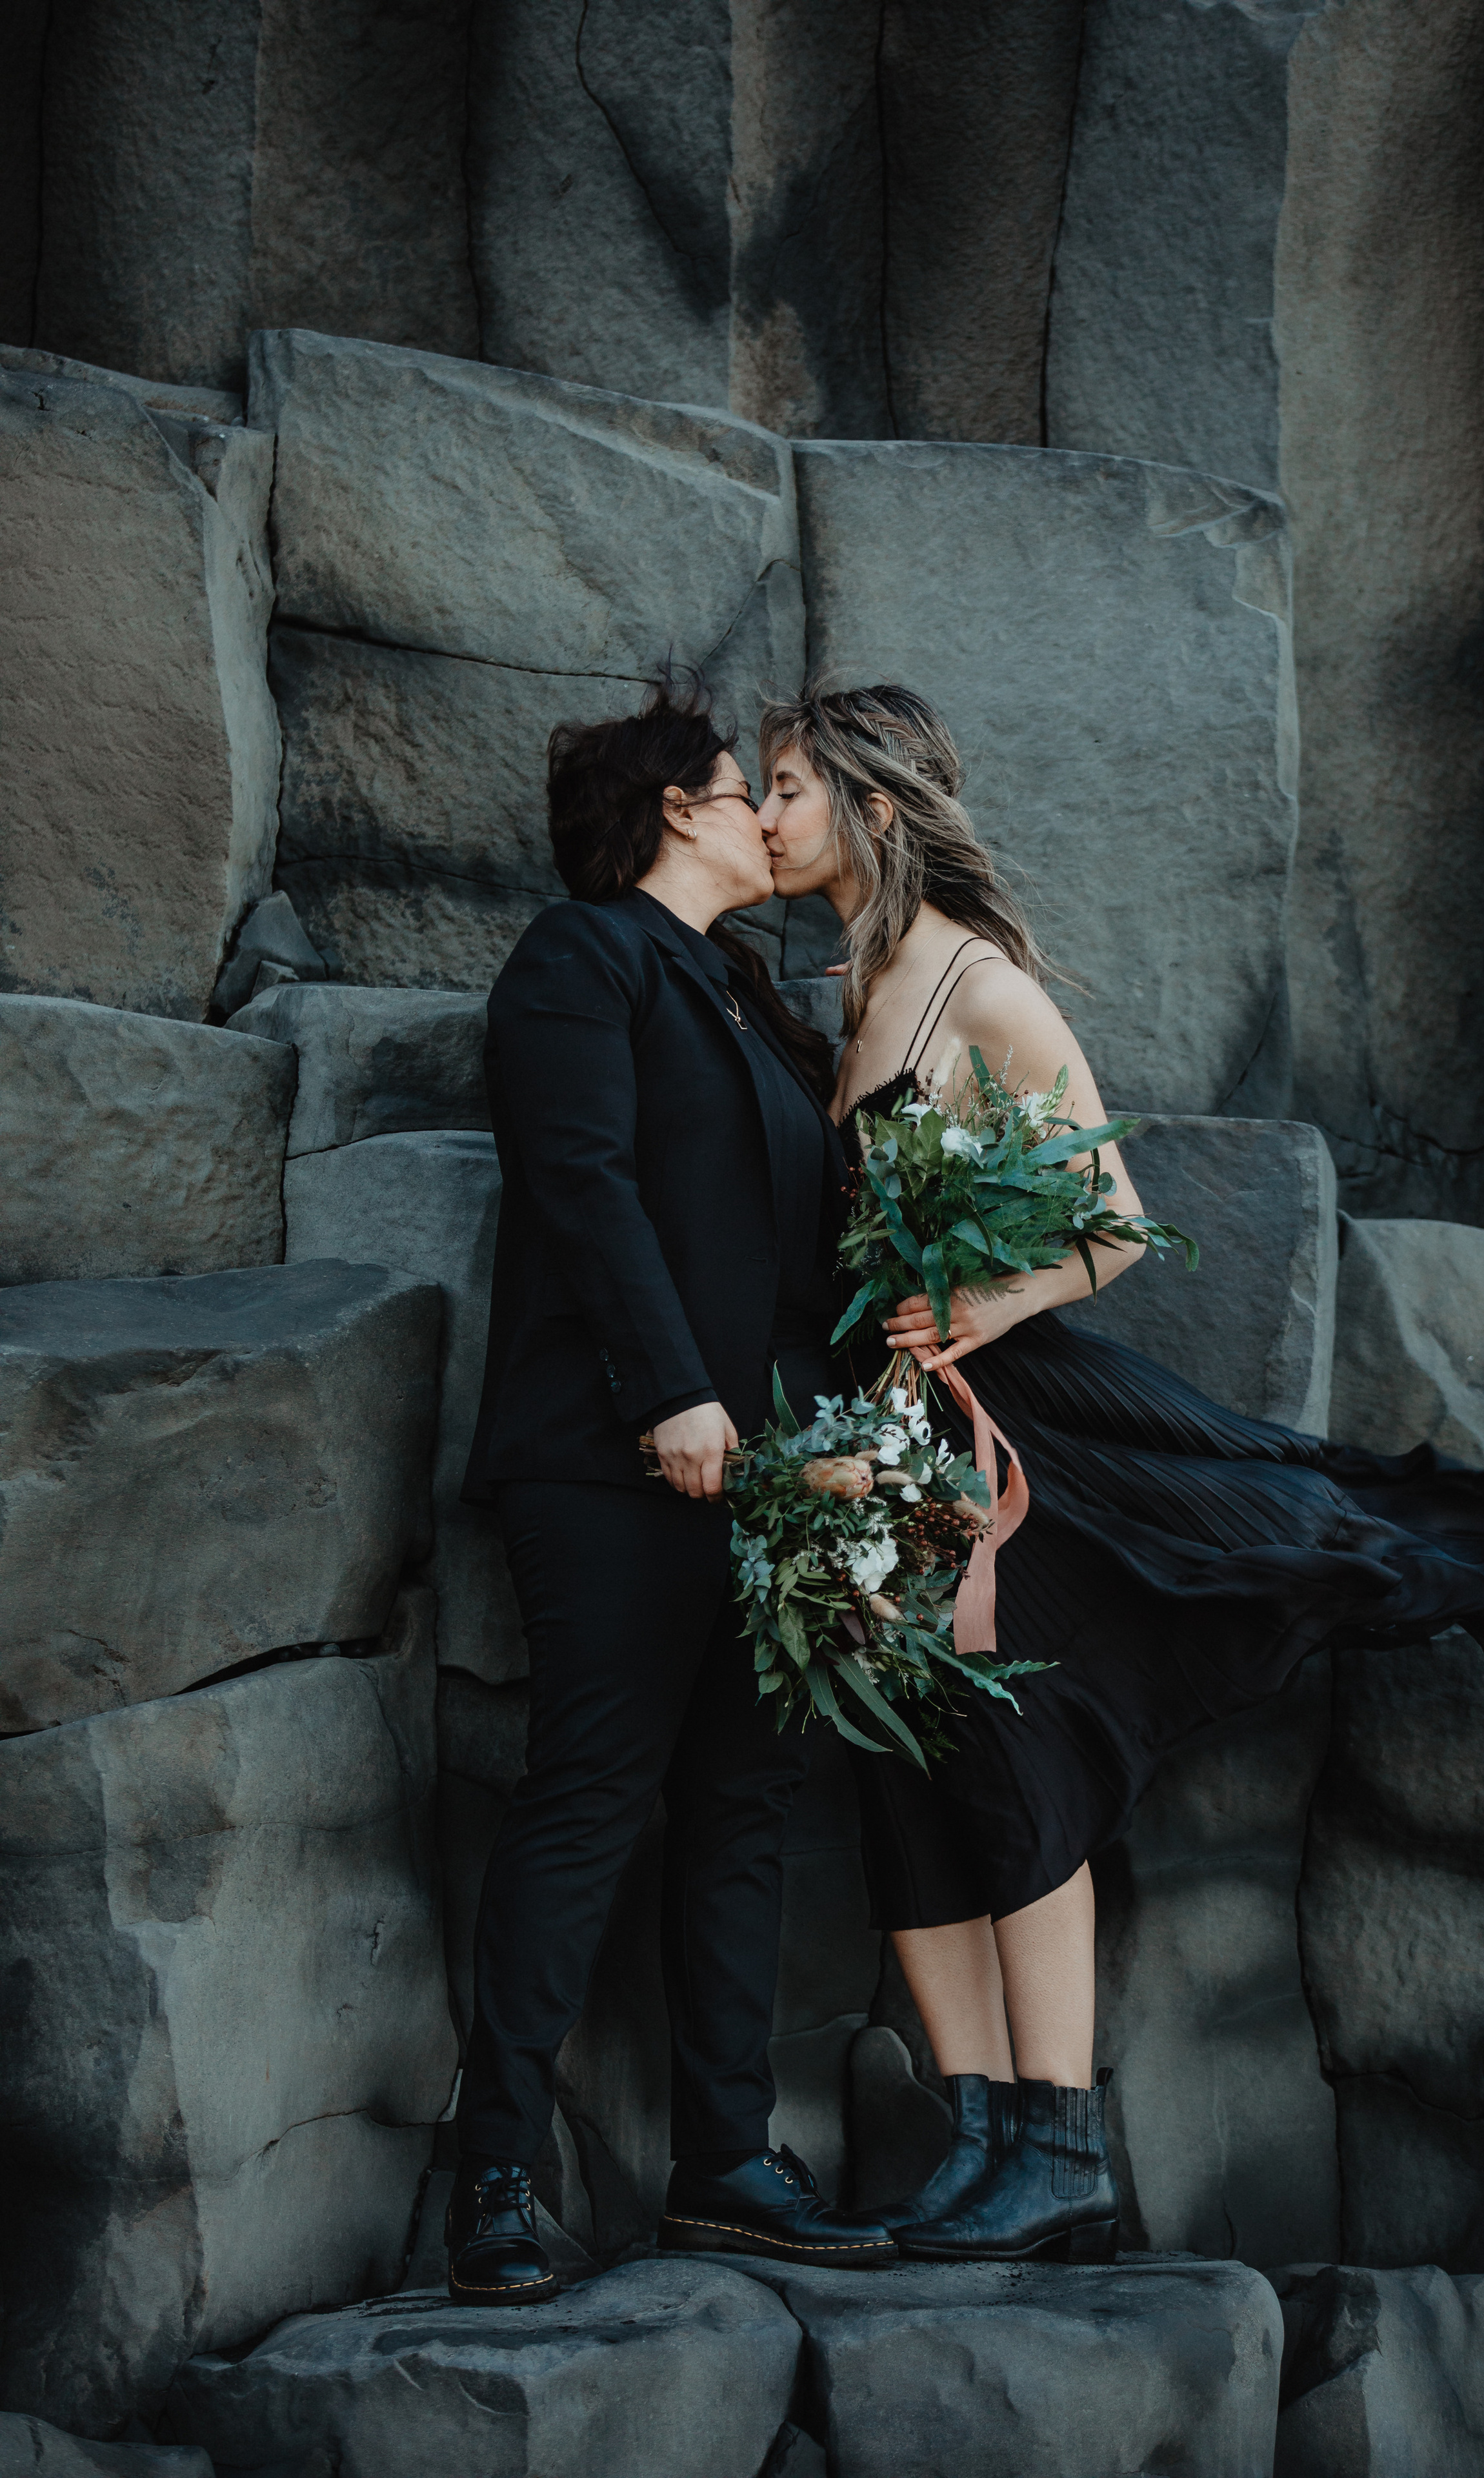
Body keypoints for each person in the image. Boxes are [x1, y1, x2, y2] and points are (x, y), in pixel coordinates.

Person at [755, 681, 1484, 2267]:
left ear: (874, 809)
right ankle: (974, 2146)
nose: (766, 814)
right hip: (882, 1435)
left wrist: (981, 1301)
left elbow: (1111, 1214)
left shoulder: (977, 987)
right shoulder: (859, 980)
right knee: (905, 1775)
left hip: (1002, 1424)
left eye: (791, 787)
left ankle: (1058, 2145)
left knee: (1013, 1756)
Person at [447, 680, 897, 2304]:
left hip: (771, 1478)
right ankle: (493, 2180)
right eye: (743, 787)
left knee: (743, 1813)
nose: (769, 815)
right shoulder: (583, 961)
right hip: (616, 1466)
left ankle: (725, 2172)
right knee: (586, 1798)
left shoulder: (747, 995)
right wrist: (670, 1393)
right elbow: (582, 1182)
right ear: (677, 812)